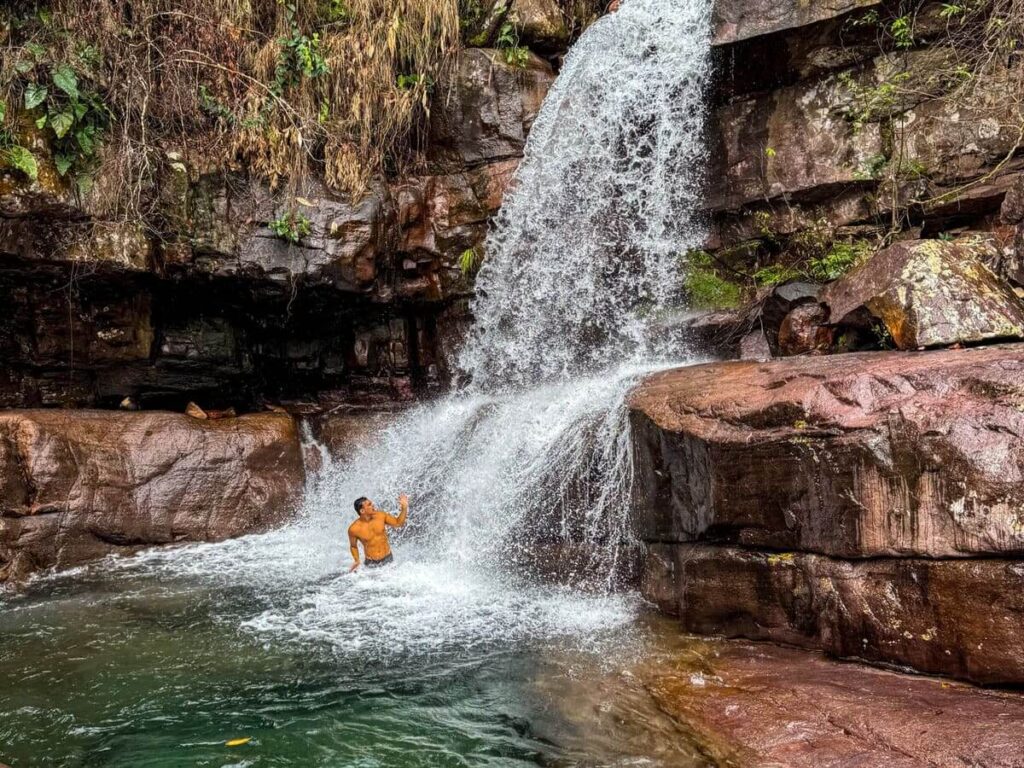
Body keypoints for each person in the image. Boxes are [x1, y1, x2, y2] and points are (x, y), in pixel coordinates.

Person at [348, 494, 409, 571]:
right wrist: (356, 560)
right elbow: (353, 546)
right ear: (362, 511)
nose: (373, 505)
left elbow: (398, 523)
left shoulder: (381, 516)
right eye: (369, 505)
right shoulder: (354, 529)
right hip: (371, 564)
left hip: (388, 560)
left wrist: (404, 508)